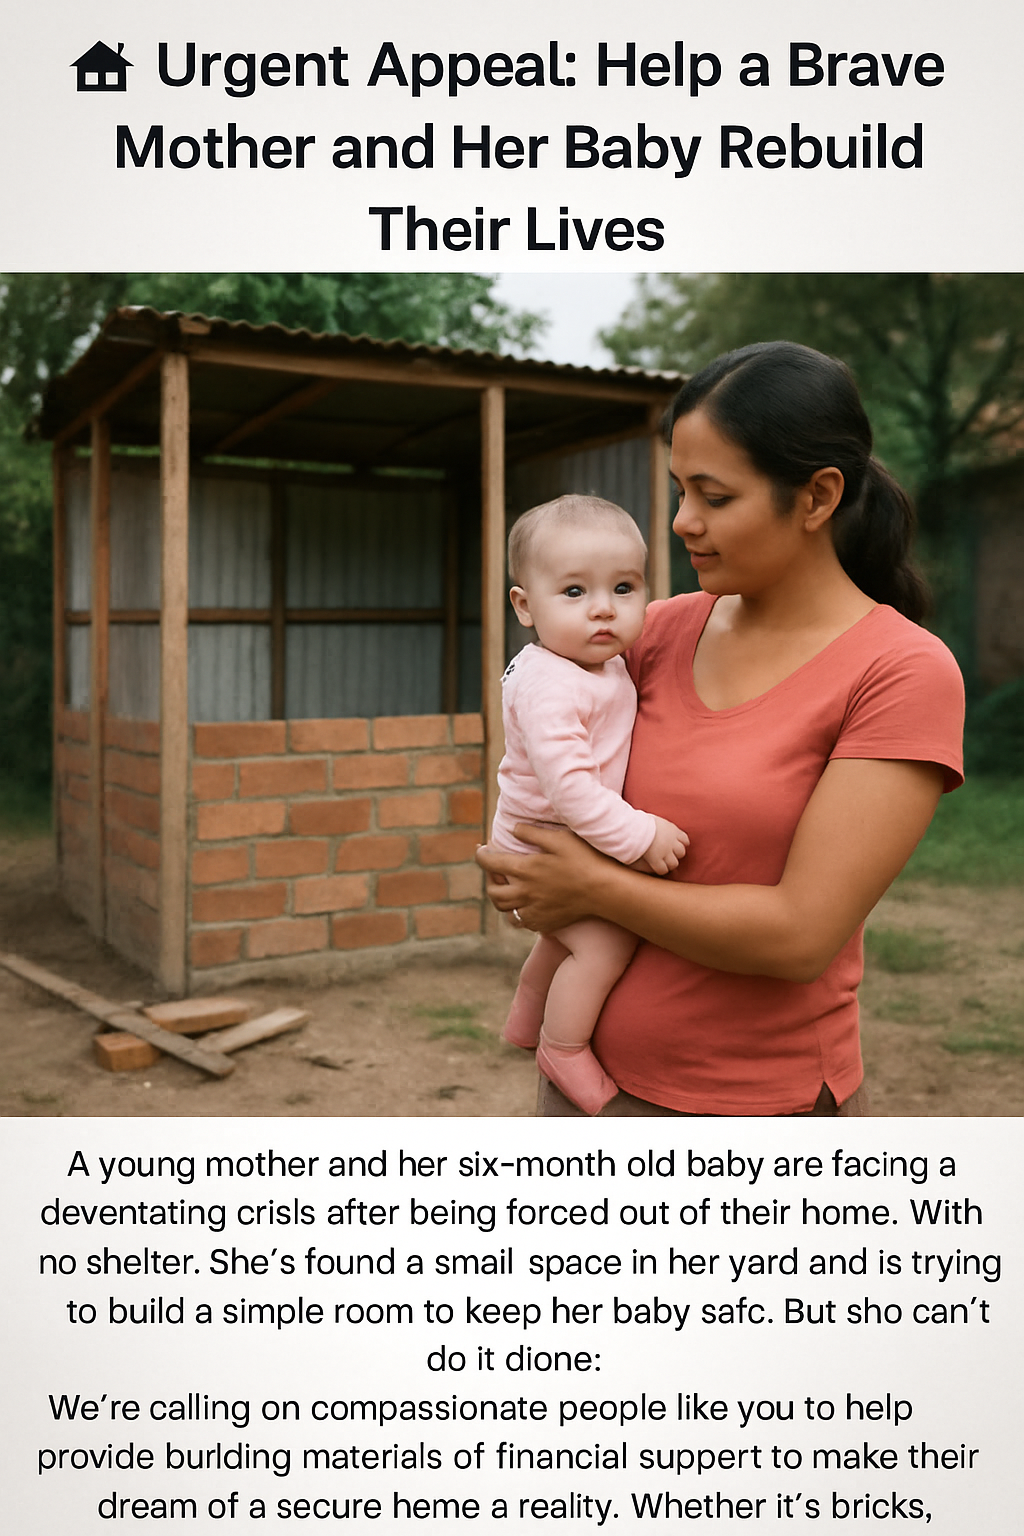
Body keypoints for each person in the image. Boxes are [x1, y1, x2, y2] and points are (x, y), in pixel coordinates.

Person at [478, 341, 965, 1118]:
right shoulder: (653, 633)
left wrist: (590, 884)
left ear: (816, 497)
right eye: (678, 490)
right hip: (588, 1091)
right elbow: (548, 748)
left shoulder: (900, 672)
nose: (680, 522)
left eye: (714, 496)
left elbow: (799, 936)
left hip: (752, 1109)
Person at [492, 494, 690, 1114]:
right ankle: (563, 1044)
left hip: (553, 840)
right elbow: (572, 790)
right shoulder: (549, 684)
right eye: (574, 592)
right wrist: (639, 836)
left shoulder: (593, 664)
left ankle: (526, 1013)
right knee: (607, 942)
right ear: (525, 606)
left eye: (625, 588)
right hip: (541, 846)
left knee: (566, 936)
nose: (604, 608)